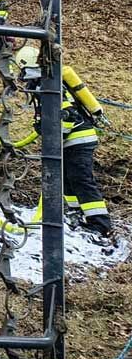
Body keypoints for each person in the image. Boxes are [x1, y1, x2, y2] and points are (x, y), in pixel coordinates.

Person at [14, 46, 112, 239]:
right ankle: (77, 215)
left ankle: (101, 225)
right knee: (68, 181)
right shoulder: (45, 82)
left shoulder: (48, 84)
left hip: (78, 140)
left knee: (81, 180)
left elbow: (68, 114)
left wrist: (54, 137)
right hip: (71, 141)